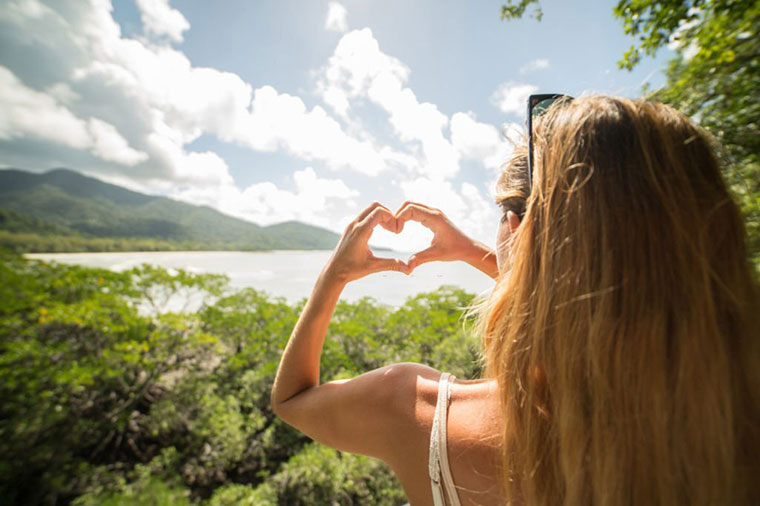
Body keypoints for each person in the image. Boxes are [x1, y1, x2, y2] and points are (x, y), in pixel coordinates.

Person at [271, 96, 760, 505]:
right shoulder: (732, 413)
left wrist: (333, 276)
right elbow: (593, 289)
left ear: (516, 226)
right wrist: (475, 251)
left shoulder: (418, 412)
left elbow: (292, 400)